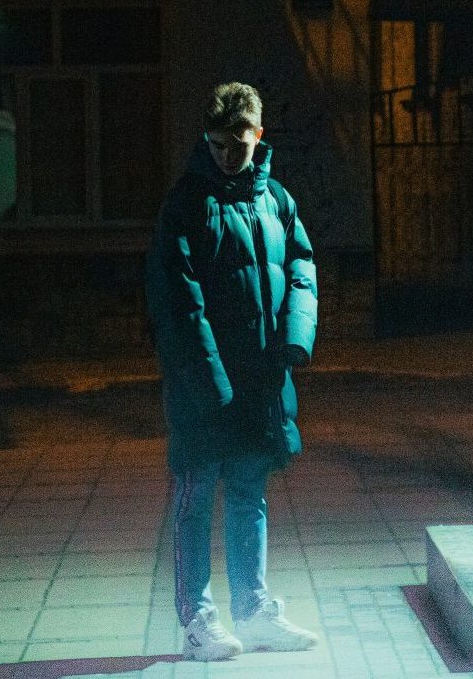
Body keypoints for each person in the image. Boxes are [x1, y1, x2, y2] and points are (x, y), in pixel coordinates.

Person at [146, 82, 321, 661]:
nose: (227, 154)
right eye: (217, 143)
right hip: (207, 384)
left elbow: (301, 266)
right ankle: (197, 619)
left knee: (250, 491)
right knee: (197, 496)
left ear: (258, 136)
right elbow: (178, 302)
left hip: (261, 377)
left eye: (237, 143)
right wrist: (209, 380)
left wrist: (296, 339)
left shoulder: (276, 199)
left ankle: (253, 609)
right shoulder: (187, 202)